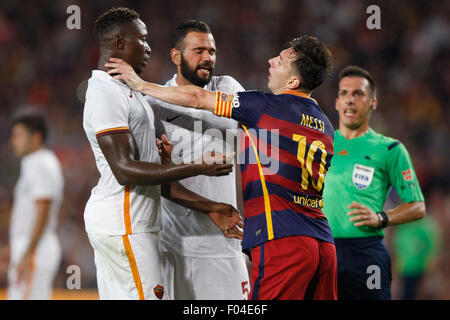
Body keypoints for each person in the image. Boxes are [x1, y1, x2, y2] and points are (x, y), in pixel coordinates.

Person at [106, 35, 337, 300]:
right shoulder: (325, 125)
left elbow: (196, 97)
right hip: (323, 245)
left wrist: (139, 83)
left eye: (282, 60)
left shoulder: (264, 106)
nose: (271, 61)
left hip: (283, 240)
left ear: (293, 81)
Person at [84, 7, 243, 300]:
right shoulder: (126, 94)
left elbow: (199, 102)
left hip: (197, 240)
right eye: (142, 40)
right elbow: (125, 169)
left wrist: (166, 160)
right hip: (139, 229)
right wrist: (198, 167)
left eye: (212, 50)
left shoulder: (137, 94)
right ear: (120, 42)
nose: (147, 47)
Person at [145, 20, 250, 300]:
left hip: (223, 246)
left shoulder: (227, 87)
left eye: (212, 51)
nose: (208, 58)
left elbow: (196, 98)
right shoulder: (154, 105)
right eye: (199, 50)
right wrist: (212, 207)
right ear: (176, 56)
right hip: (173, 245)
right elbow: (155, 182)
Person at [321, 65, 426, 300]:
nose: (350, 100)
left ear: (373, 103)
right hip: (324, 251)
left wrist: (382, 218)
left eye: (358, 94)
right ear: (337, 102)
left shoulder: (390, 149)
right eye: (344, 93)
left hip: (366, 253)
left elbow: (418, 206)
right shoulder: (320, 145)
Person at [0, 111, 64, 299]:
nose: (13, 141)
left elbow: (42, 210)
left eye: (19, 135)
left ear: (36, 137)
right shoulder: (35, 163)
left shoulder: (41, 163)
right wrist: (13, 247)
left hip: (35, 248)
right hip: (31, 246)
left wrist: (28, 252)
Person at [393, 213, 441, 299]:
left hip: (422, 270)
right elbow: (399, 249)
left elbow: (432, 249)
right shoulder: (403, 227)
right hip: (406, 270)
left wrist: (429, 269)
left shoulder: (426, 225)